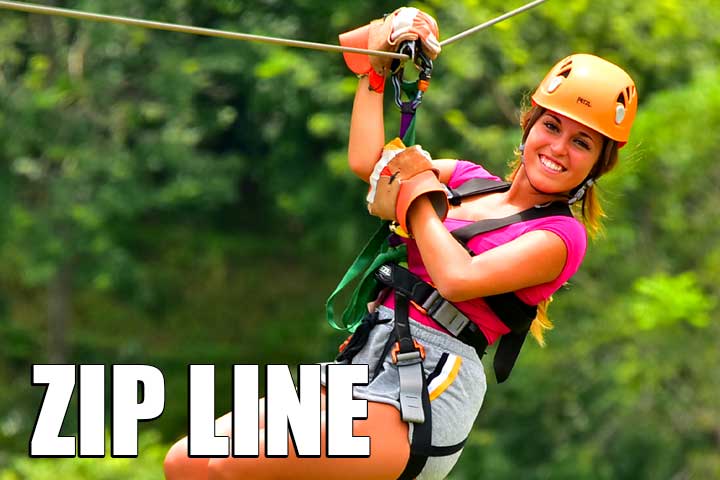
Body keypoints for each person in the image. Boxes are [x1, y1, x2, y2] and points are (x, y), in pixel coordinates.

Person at [163, 7, 638, 480]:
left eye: (581, 143)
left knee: (231, 467)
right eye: (552, 127)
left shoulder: (560, 237)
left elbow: (458, 278)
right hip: (372, 350)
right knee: (187, 463)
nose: (557, 148)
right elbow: (372, 164)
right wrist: (378, 67)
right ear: (529, 124)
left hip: (431, 384)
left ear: (598, 163)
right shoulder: (469, 180)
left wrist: (415, 194)